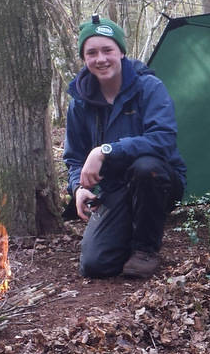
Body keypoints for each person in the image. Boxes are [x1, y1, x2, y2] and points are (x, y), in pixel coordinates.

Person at [63, 15, 187, 278]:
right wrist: (78, 188)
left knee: (146, 168)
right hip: (112, 189)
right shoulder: (79, 102)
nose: (101, 59)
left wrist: (105, 150)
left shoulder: (148, 87)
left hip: (159, 180)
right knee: (95, 266)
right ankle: (125, 229)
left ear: (121, 52)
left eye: (107, 50)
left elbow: (163, 139)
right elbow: (74, 158)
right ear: (84, 58)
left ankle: (145, 250)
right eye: (92, 52)